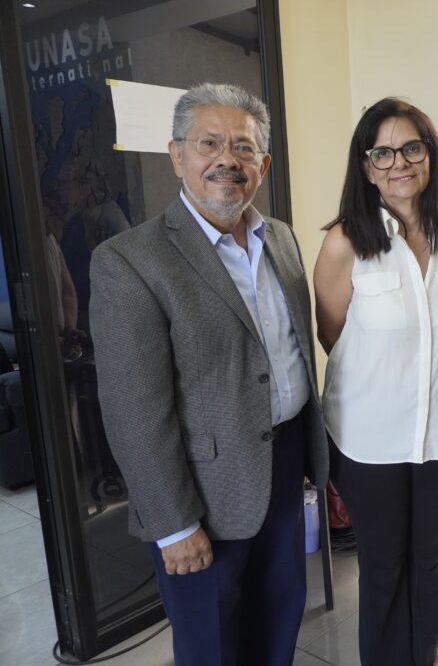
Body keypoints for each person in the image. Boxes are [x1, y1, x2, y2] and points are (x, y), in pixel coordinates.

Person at [90, 83, 329, 665]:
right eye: (209, 143)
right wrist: (174, 525)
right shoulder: (130, 261)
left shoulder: (281, 239)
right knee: (212, 647)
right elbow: (133, 410)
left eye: (243, 147)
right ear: (177, 155)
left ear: (263, 165)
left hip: (284, 468)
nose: (227, 159)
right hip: (203, 493)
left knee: (279, 622)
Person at [313, 97, 438, 666]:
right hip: (369, 443)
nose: (398, 162)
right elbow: (333, 336)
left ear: (431, 155)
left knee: (431, 564)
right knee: (384, 567)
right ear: (365, 167)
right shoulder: (344, 242)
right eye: (381, 152)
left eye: (411, 147)